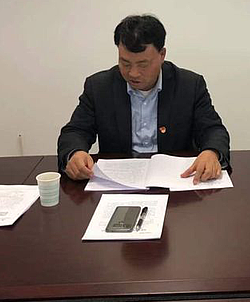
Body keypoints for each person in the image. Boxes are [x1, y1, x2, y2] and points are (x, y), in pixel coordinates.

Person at [58, 14, 230, 183]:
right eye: (125, 63)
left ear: (162, 55)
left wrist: (212, 152)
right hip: (118, 183)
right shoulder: (99, 87)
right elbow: (76, 131)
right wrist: (75, 153)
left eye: (143, 64)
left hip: (177, 182)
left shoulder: (190, 85)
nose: (133, 73)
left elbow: (213, 130)